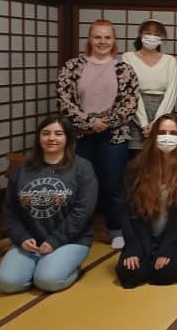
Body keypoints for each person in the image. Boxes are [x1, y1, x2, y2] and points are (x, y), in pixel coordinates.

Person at [57, 19, 140, 249]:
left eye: (107, 37)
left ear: (114, 40)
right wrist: (89, 122)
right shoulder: (72, 66)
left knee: (113, 185)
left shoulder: (124, 69)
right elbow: (64, 101)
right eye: (97, 37)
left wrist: (106, 122)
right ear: (89, 39)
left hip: (114, 135)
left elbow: (130, 102)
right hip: (81, 135)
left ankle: (116, 230)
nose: (102, 41)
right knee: (79, 183)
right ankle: (77, 229)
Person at [0, 116, 97, 294]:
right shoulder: (24, 169)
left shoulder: (82, 167)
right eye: (46, 133)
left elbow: (83, 212)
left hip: (70, 241)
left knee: (48, 281)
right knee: (7, 284)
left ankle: (68, 268)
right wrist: (21, 238)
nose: (52, 138)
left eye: (58, 134)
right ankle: (39, 267)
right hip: (31, 242)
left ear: (67, 138)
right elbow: (9, 210)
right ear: (38, 137)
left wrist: (54, 241)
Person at [116, 117, 177, 288]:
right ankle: (148, 256)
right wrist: (133, 247)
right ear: (153, 136)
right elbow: (127, 211)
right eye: (162, 133)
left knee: (163, 274)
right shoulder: (136, 166)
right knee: (129, 274)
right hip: (145, 235)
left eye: (173, 133)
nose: (167, 137)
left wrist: (168, 248)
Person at [121, 19, 177, 157]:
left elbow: (171, 92)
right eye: (148, 33)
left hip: (164, 113)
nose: (152, 36)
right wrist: (143, 123)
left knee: (162, 156)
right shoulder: (128, 57)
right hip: (135, 112)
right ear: (140, 35)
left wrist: (158, 123)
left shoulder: (170, 61)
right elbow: (130, 91)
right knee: (136, 159)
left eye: (156, 34)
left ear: (162, 38)